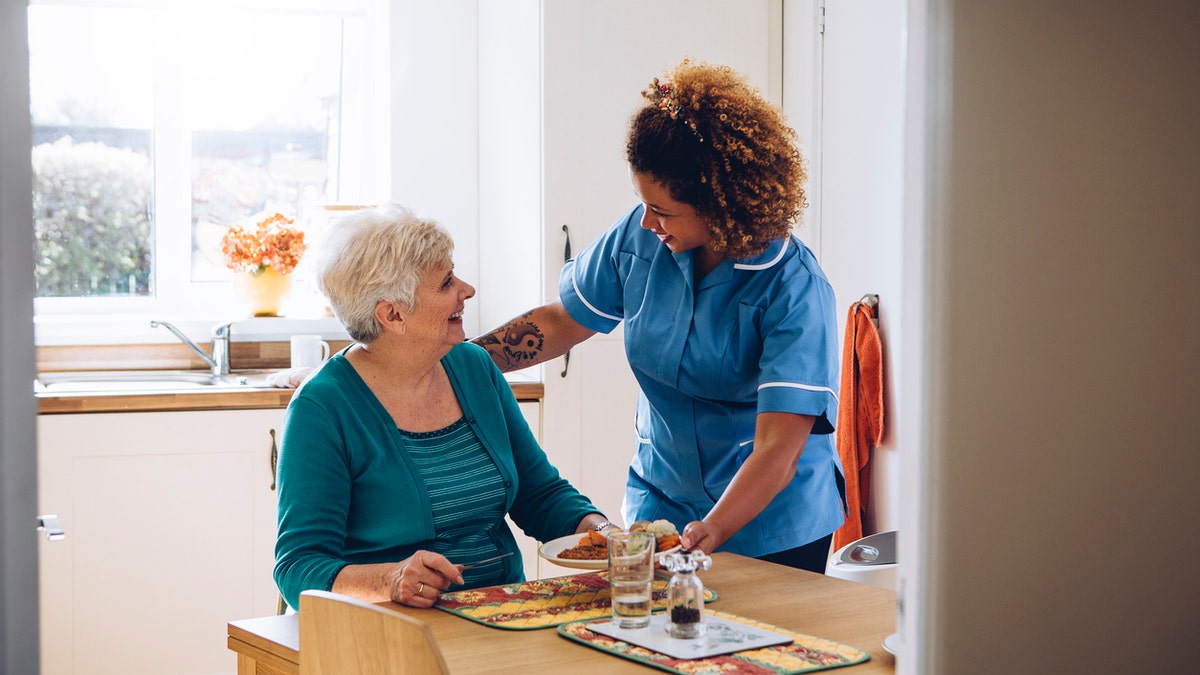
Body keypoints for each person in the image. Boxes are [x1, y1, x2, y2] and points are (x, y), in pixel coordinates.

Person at [473, 59, 845, 573]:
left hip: (769, 523)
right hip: (662, 504)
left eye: (664, 211)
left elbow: (779, 446)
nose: (647, 221)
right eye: (642, 203)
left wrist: (714, 528)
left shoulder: (793, 286)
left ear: (721, 204)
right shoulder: (641, 235)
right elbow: (561, 322)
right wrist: (461, 362)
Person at [274, 203, 613, 610]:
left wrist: (605, 533)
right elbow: (298, 566)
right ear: (393, 314)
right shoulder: (323, 407)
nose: (467, 290)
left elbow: (539, 494)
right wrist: (391, 579)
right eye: (446, 282)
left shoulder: (474, 368)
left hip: (501, 612)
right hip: (391, 629)